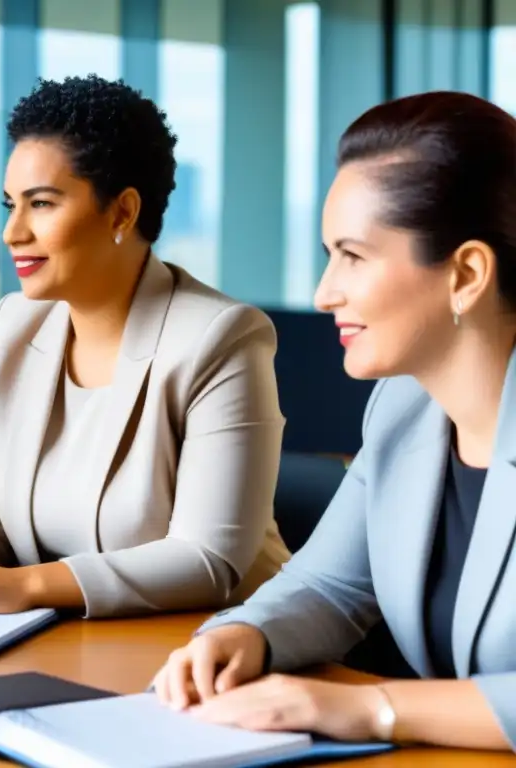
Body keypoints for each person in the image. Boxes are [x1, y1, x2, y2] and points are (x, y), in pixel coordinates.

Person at [0, 75, 290, 618]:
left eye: (42, 204)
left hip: (216, 649)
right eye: (10, 205)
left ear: (122, 212)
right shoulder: (14, 326)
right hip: (69, 642)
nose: (12, 232)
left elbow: (210, 560)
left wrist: (26, 586)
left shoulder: (221, 338)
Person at [150, 92, 516, 753]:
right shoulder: (402, 407)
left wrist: (368, 709)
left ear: (466, 273)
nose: (325, 293)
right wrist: (242, 636)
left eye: (353, 255)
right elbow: (329, 583)